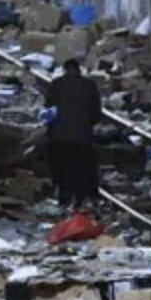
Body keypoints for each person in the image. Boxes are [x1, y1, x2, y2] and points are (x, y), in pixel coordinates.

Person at [43, 58, 103, 210]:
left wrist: (50, 128)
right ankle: (80, 200)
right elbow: (96, 113)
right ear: (79, 70)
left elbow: (48, 110)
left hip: (58, 137)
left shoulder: (56, 84)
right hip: (82, 137)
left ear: (64, 70)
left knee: (61, 168)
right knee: (81, 169)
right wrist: (86, 125)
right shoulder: (89, 85)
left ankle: (64, 199)